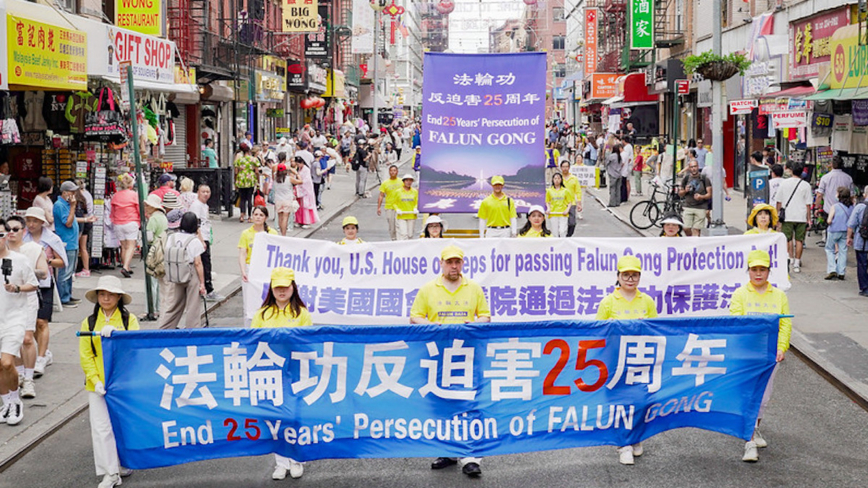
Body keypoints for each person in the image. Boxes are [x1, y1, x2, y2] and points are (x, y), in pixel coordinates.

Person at [410, 245, 490, 477]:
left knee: (468, 403)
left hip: (467, 354)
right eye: (449, 262)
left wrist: (475, 325)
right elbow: (415, 316)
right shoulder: (428, 289)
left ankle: (470, 456)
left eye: (458, 262)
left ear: (462, 264)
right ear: (442, 263)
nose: (454, 266)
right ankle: (447, 451)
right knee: (441, 403)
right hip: (438, 355)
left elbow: (485, 314)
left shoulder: (473, 288)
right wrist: (432, 327)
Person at [729, 249, 791, 463]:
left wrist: (782, 347)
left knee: (763, 398)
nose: (758, 274)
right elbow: (736, 324)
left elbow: (785, 324)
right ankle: (749, 441)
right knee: (749, 396)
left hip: (770, 357)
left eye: (762, 270)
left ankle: (755, 428)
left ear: (768, 272)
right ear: (748, 271)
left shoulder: (779, 295)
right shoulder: (740, 294)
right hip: (747, 356)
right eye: (754, 269)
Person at [596, 255, 657, 465]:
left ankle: (636, 437)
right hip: (616, 361)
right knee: (620, 402)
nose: (630, 279)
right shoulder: (608, 301)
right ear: (618, 277)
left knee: (641, 401)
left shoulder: (647, 301)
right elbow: (597, 333)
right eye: (626, 275)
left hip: (641, 359)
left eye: (634, 275)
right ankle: (623, 444)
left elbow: (656, 330)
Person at [78, 275, 138, 488]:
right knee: (101, 427)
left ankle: (122, 462)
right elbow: (86, 355)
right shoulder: (89, 322)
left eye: (110, 294)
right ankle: (110, 473)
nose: (106, 298)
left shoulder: (128, 320)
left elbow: (133, 350)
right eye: (102, 294)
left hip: (122, 383)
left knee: (120, 425)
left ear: (118, 297)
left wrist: (118, 335)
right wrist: (95, 381)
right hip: (97, 385)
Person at [251, 267, 311, 479]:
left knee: (294, 416)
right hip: (270, 373)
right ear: (271, 289)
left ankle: (296, 460)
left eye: (286, 286)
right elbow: (253, 341)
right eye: (278, 287)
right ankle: (281, 462)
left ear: (293, 287)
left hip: (294, 372)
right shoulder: (262, 314)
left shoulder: (302, 314)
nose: (282, 291)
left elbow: (308, 343)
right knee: (275, 418)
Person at [0, 220, 39, 426]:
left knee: (7, 362)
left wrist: (16, 288)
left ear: (6, 235)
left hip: (14, 318)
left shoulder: (19, 260)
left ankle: (15, 400)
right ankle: (5, 402)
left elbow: (34, 284)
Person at [5, 216, 48, 399]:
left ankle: (28, 379)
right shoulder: (3, 251)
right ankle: (20, 373)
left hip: (27, 298)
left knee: (27, 339)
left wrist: (25, 269)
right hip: (6, 300)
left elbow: (43, 273)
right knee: (11, 340)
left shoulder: (33, 249)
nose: (11, 233)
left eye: (16, 229)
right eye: (9, 229)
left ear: (23, 231)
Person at [23, 207, 66, 376]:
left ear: (42, 222)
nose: (31, 224)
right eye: (29, 220)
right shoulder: (21, 236)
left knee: (42, 321)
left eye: (35, 221)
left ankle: (40, 357)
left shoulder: (51, 239)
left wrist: (45, 261)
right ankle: (44, 350)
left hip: (44, 283)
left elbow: (62, 262)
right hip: (25, 283)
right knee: (31, 322)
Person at [159, 212, 206, 330]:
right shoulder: (194, 241)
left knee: (174, 304)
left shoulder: (172, 237)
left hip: (175, 272)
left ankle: (165, 328)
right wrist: (202, 283)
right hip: (190, 272)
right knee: (193, 305)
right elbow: (198, 263)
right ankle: (192, 330)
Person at [238, 206, 278, 324]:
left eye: (261, 215)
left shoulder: (272, 233)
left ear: (265, 217)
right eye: (256, 214)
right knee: (249, 303)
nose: (258, 217)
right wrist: (243, 271)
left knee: (268, 301)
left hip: (267, 270)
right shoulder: (246, 234)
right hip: (251, 269)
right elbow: (242, 254)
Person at [774, 163, 812, 273]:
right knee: (799, 240)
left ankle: (790, 258)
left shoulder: (784, 184)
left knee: (788, 239)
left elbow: (779, 201)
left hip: (787, 216)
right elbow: (808, 204)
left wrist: (777, 215)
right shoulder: (806, 185)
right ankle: (797, 262)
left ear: (791, 171)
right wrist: (809, 219)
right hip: (801, 216)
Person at [189, 184, 222, 301]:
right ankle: (208, 289)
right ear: (198, 192)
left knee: (206, 262)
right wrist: (201, 240)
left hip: (206, 236)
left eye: (208, 191)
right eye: (203, 191)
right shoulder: (196, 206)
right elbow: (196, 224)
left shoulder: (204, 205)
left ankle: (205, 288)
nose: (206, 194)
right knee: (204, 263)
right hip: (201, 238)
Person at [54, 180, 82, 305]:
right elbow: (68, 223)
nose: (74, 194)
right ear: (65, 193)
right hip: (67, 242)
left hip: (72, 242)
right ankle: (63, 297)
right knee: (65, 271)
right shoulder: (60, 205)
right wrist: (73, 207)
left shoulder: (64, 204)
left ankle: (68, 295)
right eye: (72, 192)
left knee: (70, 271)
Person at [110, 175, 139, 278]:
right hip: (131, 221)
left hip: (118, 223)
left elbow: (112, 211)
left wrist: (113, 220)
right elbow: (138, 208)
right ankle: (126, 267)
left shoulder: (116, 195)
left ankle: (126, 265)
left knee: (123, 246)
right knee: (131, 245)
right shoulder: (134, 195)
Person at [144, 194, 169, 313]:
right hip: (163, 250)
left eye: (147, 205)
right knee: (161, 282)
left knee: (152, 281)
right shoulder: (163, 217)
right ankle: (160, 307)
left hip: (154, 250)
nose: (146, 207)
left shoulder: (153, 219)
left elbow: (149, 238)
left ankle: (152, 308)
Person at [677, 160, 712, 236]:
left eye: (695, 166)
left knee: (696, 229)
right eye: (691, 167)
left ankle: (695, 245)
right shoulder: (686, 178)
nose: (693, 168)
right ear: (689, 168)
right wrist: (685, 191)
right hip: (688, 206)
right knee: (686, 228)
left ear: (698, 167)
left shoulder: (704, 178)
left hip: (701, 207)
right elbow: (680, 193)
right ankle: (691, 241)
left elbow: (710, 194)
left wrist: (701, 197)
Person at [825, 187, 853, 281]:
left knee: (829, 249)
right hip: (845, 231)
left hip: (834, 230)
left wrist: (829, 221)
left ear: (839, 195)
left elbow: (829, 220)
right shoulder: (851, 207)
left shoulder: (835, 206)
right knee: (843, 251)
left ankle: (832, 269)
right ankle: (841, 272)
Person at [847, 188, 868, 296]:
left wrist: (848, 237)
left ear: (865, 195)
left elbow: (851, 224)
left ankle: (865, 288)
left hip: (862, 240)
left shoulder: (859, 207)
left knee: (862, 264)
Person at [289, 155, 319, 228]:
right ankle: (299, 221)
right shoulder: (299, 169)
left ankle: (307, 222)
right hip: (300, 188)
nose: (298, 165)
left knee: (306, 206)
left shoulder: (306, 170)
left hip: (306, 190)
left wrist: (299, 182)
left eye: (299, 163)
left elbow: (307, 181)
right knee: (299, 206)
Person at [272, 157, 299, 236]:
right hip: (287, 199)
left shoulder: (275, 178)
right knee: (285, 218)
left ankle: (281, 233)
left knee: (280, 218)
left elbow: (273, 171)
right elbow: (300, 181)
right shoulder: (289, 179)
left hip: (278, 200)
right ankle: (284, 234)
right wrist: (296, 173)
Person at [75, 180, 96, 277]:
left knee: (76, 246)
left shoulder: (79, 196)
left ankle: (74, 268)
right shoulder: (88, 194)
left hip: (82, 220)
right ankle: (86, 269)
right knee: (83, 247)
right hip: (89, 220)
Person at [235, 142, 259, 223]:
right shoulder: (253, 159)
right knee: (249, 198)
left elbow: (236, 171)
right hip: (250, 179)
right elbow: (256, 171)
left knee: (242, 198)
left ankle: (242, 215)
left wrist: (236, 182)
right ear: (249, 151)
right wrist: (257, 181)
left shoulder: (239, 160)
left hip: (241, 179)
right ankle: (249, 217)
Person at [377, 165, 402, 241]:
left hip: (399, 207)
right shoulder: (385, 183)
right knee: (392, 226)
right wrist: (378, 207)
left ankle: (399, 240)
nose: (393, 172)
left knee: (399, 225)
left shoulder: (401, 182)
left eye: (394, 170)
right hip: (389, 207)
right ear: (389, 172)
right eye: (391, 170)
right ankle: (393, 239)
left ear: (397, 172)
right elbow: (381, 195)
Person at [395, 174, 419, 240]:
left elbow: (417, 202)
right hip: (401, 216)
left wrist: (415, 208)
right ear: (404, 181)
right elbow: (394, 203)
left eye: (410, 181)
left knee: (410, 235)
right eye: (407, 180)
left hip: (411, 215)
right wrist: (397, 209)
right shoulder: (398, 192)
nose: (408, 182)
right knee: (404, 234)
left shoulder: (414, 192)